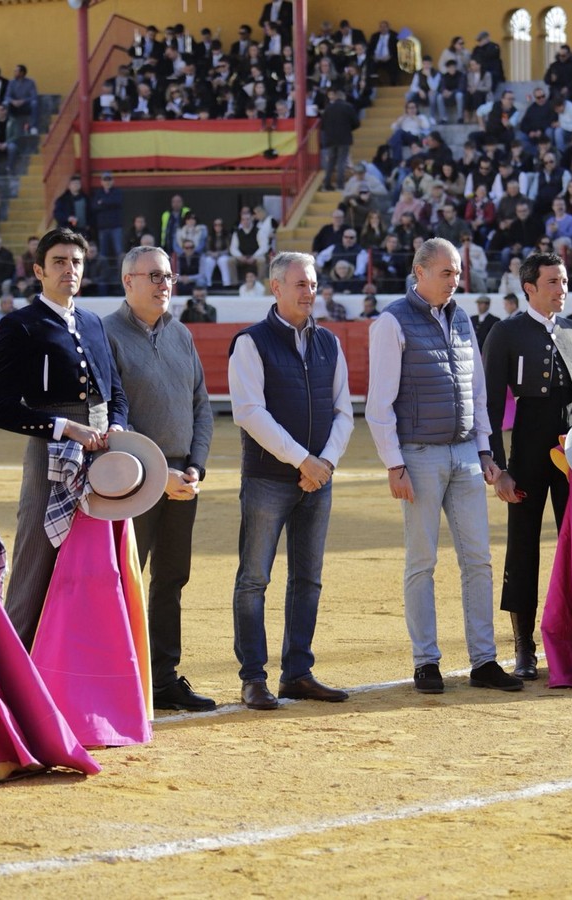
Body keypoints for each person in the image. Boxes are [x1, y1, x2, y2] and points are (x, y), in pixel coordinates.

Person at [366, 238, 523, 695]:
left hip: (463, 455)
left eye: (457, 273)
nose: (455, 281)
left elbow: (475, 389)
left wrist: (485, 450)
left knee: (479, 558)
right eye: (447, 272)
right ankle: (426, 661)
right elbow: (380, 402)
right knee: (422, 561)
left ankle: (484, 660)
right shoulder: (392, 321)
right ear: (420, 272)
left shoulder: (461, 317)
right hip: (417, 455)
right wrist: (394, 463)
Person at [0, 228, 129, 648]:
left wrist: (116, 425)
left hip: (105, 450)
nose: (70, 269)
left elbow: (115, 390)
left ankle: (84, 664)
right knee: (37, 556)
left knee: (104, 556)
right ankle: (15, 664)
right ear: (39, 272)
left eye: (76, 262)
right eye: (59, 262)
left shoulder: (92, 322)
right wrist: (66, 428)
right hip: (53, 450)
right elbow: (1, 408)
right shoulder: (20, 325)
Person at [227, 252, 353, 711]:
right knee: (254, 578)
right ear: (275, 288)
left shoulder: (330, 343)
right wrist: (306, 460)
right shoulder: (251, 342)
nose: (309, 292)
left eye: (313, 284)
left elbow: (344, 410)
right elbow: (249, 413)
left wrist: (326, 464)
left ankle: (297, 672)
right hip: (269, 479)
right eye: (300, 284)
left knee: (308, 579)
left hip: (318, 479)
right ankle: (253, 677)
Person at [103, 246, 216, 713]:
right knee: (122, 579)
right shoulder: (106, 334)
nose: (164, 283)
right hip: (131, 481)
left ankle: (164, 678)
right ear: (128, 282)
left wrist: (196, 465)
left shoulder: (181, 334)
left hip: (181, 481)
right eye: (152, 275)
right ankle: (114, 679)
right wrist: (156, 473)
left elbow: (202, 406)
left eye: (168, 275)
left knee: (171, 579)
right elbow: (112, 418)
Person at [481, 252, 572, 679]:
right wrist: (499, 467)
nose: (561, 290)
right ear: (529, 287)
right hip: (526, 451)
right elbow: (491, 405)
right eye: (553, 282)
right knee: (523, 546)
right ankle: (524, 646)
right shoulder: (505, 333)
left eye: (564, 282)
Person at [319, 89, 360, 191]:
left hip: (330, 139)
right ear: (344, 97)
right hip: (344, 138)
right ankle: (340, 185)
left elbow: (322, 125)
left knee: (331, 162)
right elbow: (356, 123)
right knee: (341, 161)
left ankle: (327, 184)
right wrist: (348, 128)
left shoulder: (328, 108)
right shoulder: (348, 107)